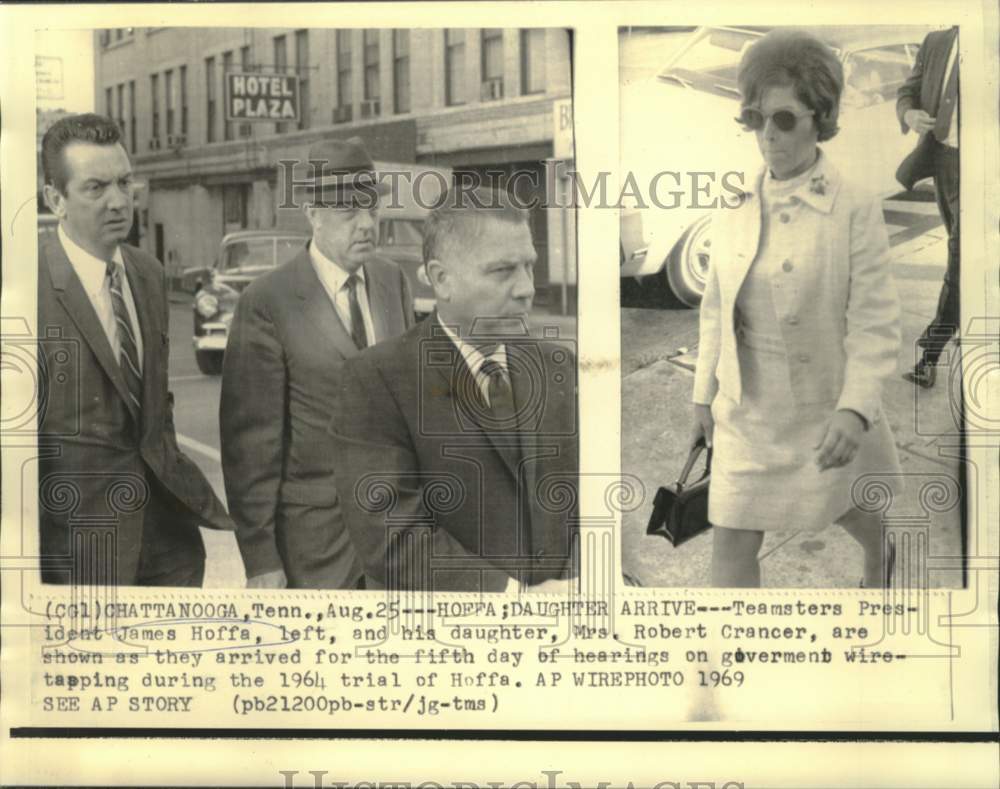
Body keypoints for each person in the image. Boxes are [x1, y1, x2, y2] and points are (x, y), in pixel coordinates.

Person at [690, 30, 902, 588]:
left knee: (841, 504)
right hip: (748, 410)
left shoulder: (852, 207)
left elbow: (875, 322)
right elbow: (715, 306)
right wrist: (701, 396)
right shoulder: (733, 199)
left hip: (822, 406)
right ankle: (731, 663)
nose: (766, 135)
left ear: (820, 116)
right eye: (755, 117)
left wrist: (854, 410)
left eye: (784, 119)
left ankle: (882, 555)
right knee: (732, 533)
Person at [329, 189, 578, 593]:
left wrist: (577, 582)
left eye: (529, 267)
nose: (526, 289)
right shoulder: (375, 380)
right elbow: (391, 536)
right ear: (442, 279)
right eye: (502, 271)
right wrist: (515, 596)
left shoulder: (557, 366)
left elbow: (583, 498)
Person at [37, 113, 232, 586]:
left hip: (170, 544)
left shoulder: (147, 274)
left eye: (126, 182)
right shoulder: (28, 285)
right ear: (54, 199)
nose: (118, 202)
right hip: (79, 549)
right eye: (96, 187)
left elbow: (155, 402)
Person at [220, 138, 415, 590]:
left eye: (372, 210)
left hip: (395, 542)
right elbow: (249, 446)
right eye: (349, 213)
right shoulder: (268, 301)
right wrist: (261, 559)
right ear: (313, 214)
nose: (367, 225)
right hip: (315, 550)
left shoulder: (392, 282)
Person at [896, 26, 960, 389]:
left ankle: (929, 356)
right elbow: (908, 92)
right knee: (962, 259)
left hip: (989, 169)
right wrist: (910, 115)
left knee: (961, 261)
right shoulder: (938, 41)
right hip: (945, 164)